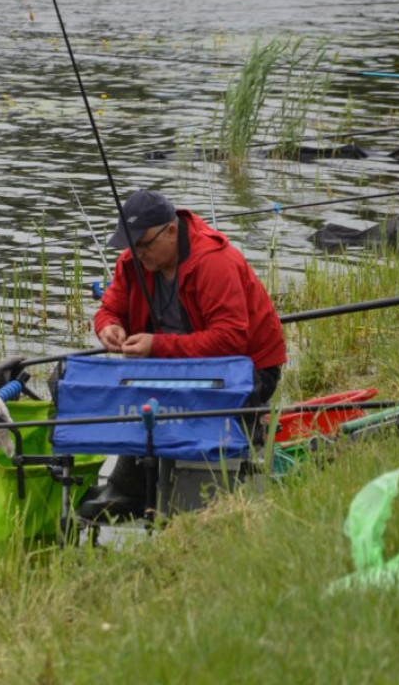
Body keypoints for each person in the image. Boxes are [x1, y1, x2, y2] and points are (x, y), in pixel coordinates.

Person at [80, 189, 287, 519]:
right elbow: (109, 308)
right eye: (131, 244)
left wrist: (157, 345)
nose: (137, 252)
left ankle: (192, 499)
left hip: (247, 368)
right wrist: (108, 326)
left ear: (171, 231)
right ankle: (133, 490)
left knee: (188, 417)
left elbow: (230, 340)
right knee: (136, 402)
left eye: (144, 243)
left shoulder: (214, 261)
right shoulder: (132, 262)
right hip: (172, 366)